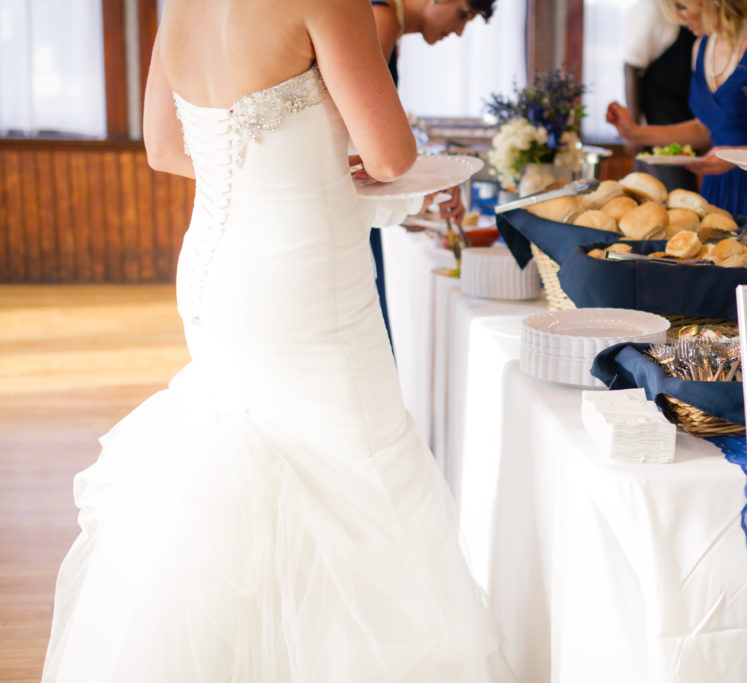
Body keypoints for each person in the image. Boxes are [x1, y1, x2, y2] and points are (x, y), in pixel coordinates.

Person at [40, 0, 515, 680]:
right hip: (304, 280)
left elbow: (166, 149)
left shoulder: (180, 8)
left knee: (255, 459)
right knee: (362, 474)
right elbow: (389, 154)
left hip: (212, 271)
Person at [606, 0, 747, 279]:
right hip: (717, 190)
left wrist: (736, 156)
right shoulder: (701, 47)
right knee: (715, 293)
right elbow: (707, 128)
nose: (681, 20)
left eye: (683, 7)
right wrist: (636, 132)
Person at [368, 0, 495, 342]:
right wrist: (429, 182)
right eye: (463, 14)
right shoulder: (379, 20)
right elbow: (361, 141)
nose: (458, 31)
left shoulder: (389, 25)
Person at [623, 0, 698, 192]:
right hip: (658, 125)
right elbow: (631, 66)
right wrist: (635, 130)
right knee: (667, 196)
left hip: (688, 126)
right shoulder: (652, 7)